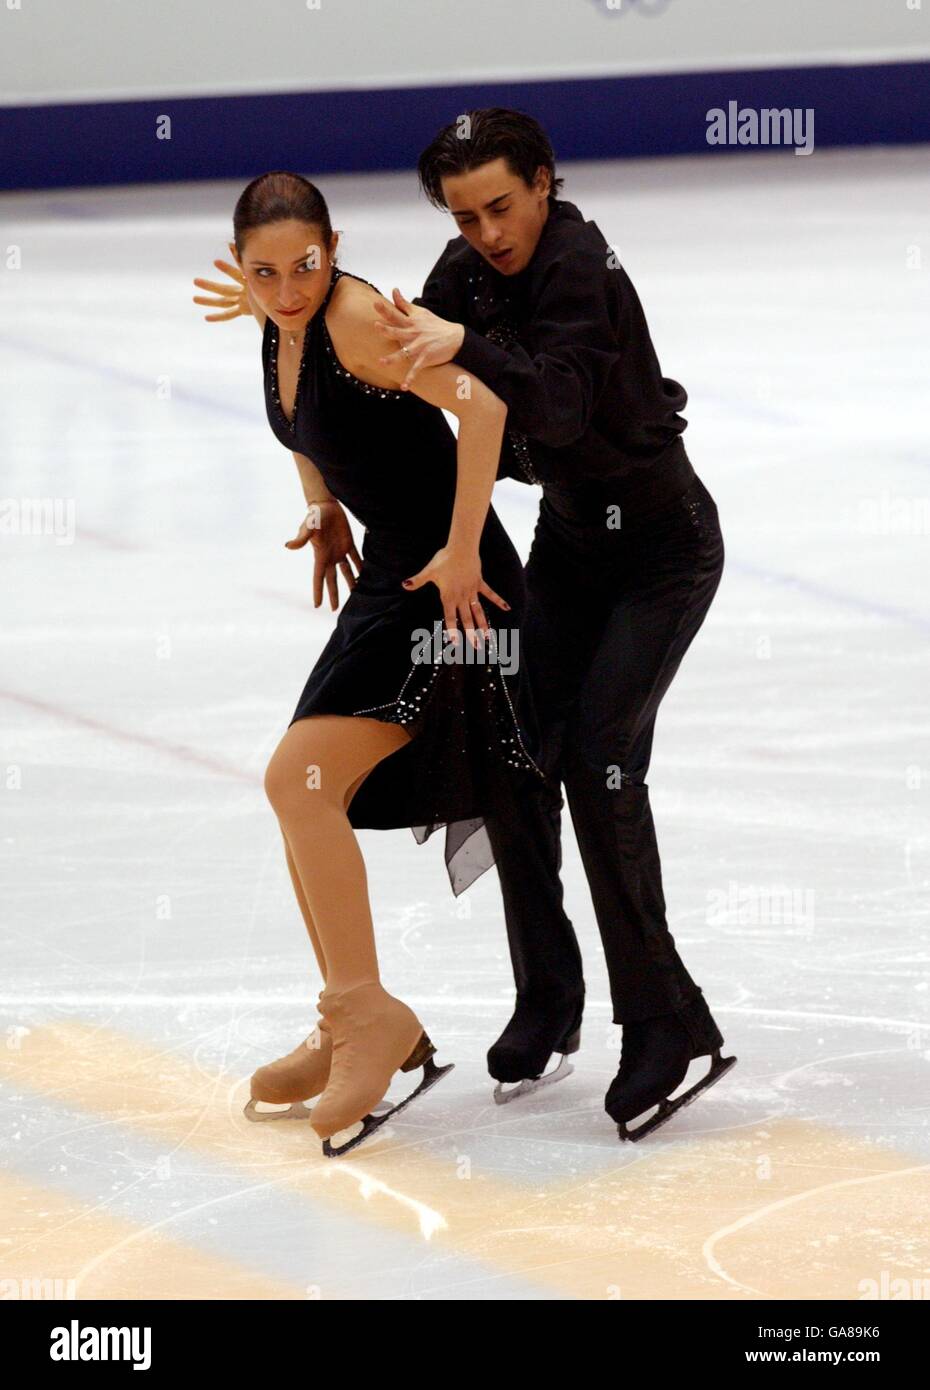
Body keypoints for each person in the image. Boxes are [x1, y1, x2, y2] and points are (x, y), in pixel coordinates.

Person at [372, 108, 736, 1139]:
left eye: (501, 205)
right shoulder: (466, 271)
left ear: (544, 182)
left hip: (663, 553)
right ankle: (549, 993)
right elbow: (405, 369)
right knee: (516, 752)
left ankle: (668, 1020)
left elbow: (560, 408)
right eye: (464, 214)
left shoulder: (578, 264)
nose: (486, 231)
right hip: (574, 546)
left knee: (601, 763)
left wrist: (467, 344)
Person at [192, 170, 559, 1156]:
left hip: (452, 582)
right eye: (262, 271)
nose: (284, 287)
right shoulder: (279, 315)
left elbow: (481, 406)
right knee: (297, 787)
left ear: (335, 245)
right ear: (242, 267)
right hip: (393, 570)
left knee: (298, 780)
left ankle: (368, 1019)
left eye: (304, 263)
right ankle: (351, 1014)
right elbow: (300, 419)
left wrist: (461, 542)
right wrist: (320, 506)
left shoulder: (356, 319)